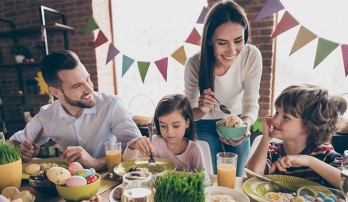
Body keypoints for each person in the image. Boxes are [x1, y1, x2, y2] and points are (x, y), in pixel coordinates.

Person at [10, 50, 142, 170]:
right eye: (78, 85)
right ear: (56, 92)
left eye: (87, 79)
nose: (89, 89)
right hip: (65, 185)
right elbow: (14, 142)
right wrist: (22, 151)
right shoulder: (46, 115)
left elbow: (139, 151)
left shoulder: (112, 105)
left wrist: (96, 162)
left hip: (110, 180)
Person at [184, 0, 262, 176]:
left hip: (238, 123)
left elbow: (251, 104)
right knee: (210, 177)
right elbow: (188, 115)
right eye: (222, 43)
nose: (232, 50)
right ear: (210, 40)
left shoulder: (251, 55)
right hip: (203, 125)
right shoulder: (195, 64)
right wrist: (201, 109)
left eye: (238, 41)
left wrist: (245, 127)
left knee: (240, 176)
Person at [246, 84, 347, 189]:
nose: (275, 120)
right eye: (276, 112)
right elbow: (252, 175)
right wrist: (266, 138)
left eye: (286, 117)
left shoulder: (324, 154)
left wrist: (309, 161)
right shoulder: (273, 151)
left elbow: (345, 185)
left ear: (309, 126)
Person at [123, 94, 210, 185]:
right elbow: (128, 165)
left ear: (187, 123)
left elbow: (204, 181)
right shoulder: (154, 143)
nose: (169, 132)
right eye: (163, 126)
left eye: (176, 126)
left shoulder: (194, 149)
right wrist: (132, 146)